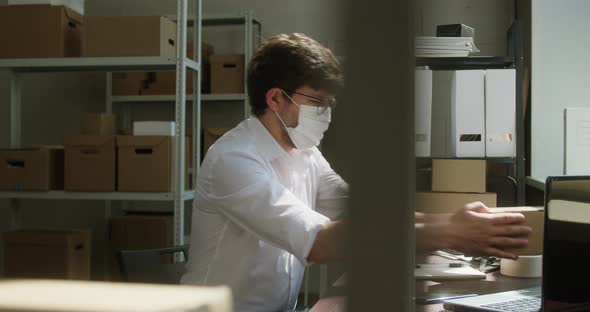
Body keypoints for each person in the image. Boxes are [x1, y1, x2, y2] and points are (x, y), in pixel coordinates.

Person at [181, 33, 531, 311]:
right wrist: (446, 233)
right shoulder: (234, 160)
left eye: (330, 104)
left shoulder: (305, 152)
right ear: (275, 99)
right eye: (317, 102)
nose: (326, 113)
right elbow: (317, 242)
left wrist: (447, 221)